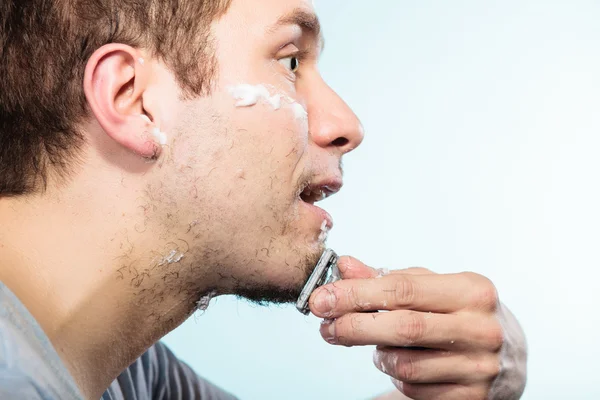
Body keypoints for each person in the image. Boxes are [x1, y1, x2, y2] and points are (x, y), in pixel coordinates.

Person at [0, 0, 528, 399]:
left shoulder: (124, 376)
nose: (347, 126)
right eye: (291, 61)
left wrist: (469, 384)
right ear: (134, 101)